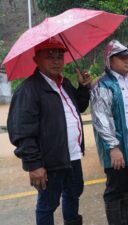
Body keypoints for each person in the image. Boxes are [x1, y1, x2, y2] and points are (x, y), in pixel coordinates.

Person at [7, 38, 92, 225]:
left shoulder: (65, 83)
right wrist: (34, 165)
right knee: (47, 205)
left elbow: (79, 107)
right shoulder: (29, 89)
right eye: (49, 56)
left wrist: (84, 87)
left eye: (60, 56)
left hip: (72, 156)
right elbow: (22, 132)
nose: (56, 61)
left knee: (73, 194)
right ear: (36, 59)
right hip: (49, 160)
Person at [90, 40, 128, 225]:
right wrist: (113, 147)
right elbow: (102, 119)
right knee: (115, 188)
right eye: (122, 57)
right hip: (118, 147)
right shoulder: (103, 85)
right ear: (110, 60)